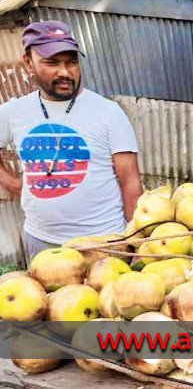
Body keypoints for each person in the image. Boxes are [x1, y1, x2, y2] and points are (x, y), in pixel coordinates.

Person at [0, 21, 143, 260]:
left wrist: (137, 241)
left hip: (104, 242)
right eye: (52, 62)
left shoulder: (108, 112)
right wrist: (13, 183)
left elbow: (130, 181)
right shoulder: (13, 112)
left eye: (72, 61)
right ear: (28, 63)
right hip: (41, 241)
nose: (65, 72)